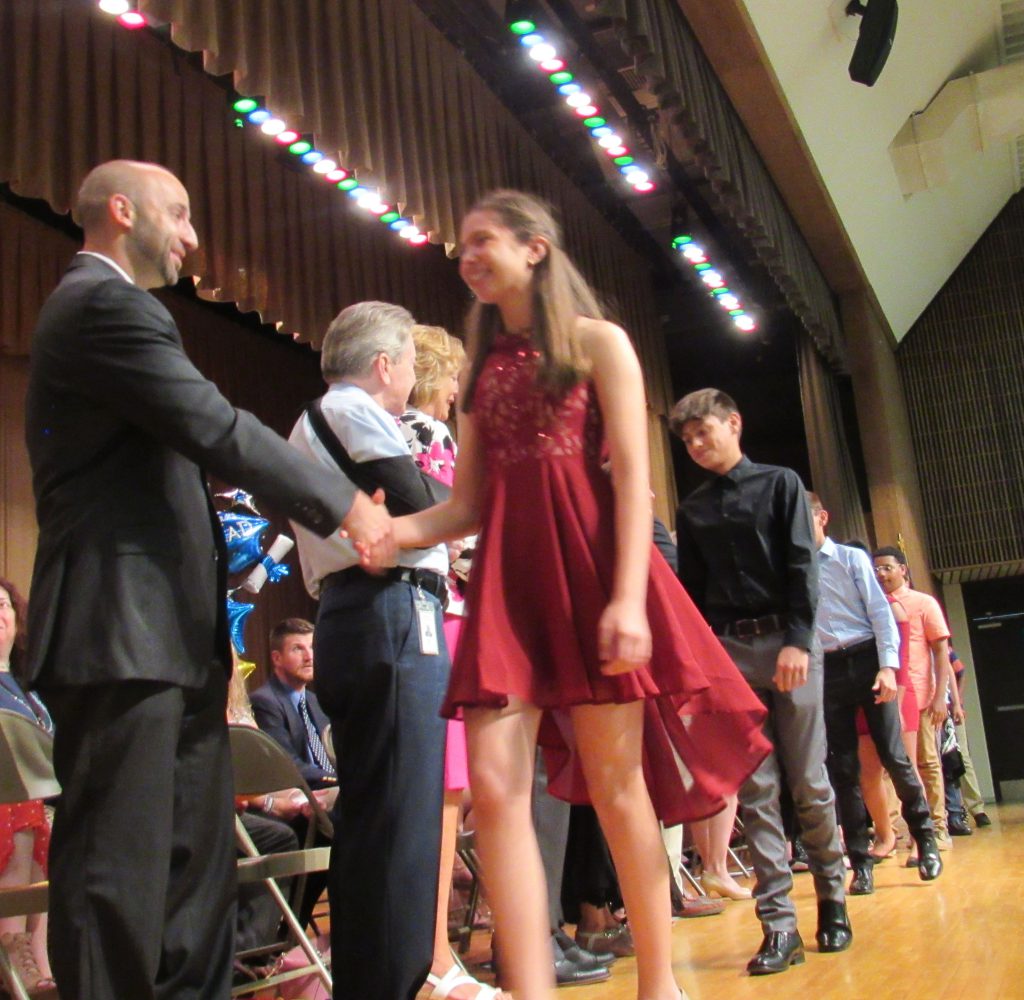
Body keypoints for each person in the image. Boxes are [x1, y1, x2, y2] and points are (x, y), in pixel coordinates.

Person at [365, 190, 771, 1000]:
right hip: (507, 594)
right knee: (495, 790)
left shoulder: (599, 343)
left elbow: (634, 484)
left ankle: (660, 983)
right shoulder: (484, 375)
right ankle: (530, 989)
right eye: (462, 247)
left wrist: (626, 599)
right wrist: (394, 536)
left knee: (620, 793)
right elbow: (467, 506)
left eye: (483, 241)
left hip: (588, 579)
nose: (467, 256)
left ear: (536, 248)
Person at [21, 159, 395, 1000]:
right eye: (180, 214)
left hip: (168, 635)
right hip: (116, 631)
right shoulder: (102, 303)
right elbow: (215, 425)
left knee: (194, 865)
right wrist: (347, 507)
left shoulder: (123, 310)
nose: (193, 236)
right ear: (122, 211)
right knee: (119, 867)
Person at [287, 301, 452, 1000]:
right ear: (385, 365)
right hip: (388, 612)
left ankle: (373, 984)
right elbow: (424, 500)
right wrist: (436, 497)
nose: (415, 381)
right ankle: (395, 985)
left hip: (360, 614)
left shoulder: (324, 420)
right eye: (412, 366)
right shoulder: (354, 411)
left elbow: (417, 502)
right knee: (402, 819)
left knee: (380, 816)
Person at [672, 388, 849, 976]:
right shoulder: (692, 508)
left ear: (734, 423)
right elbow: (693, 598)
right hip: (729, 655)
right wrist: (701, 668)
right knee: (757, 791)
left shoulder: (782, 483)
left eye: (704, 432)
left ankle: (832, 898)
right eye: (688, 438)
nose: (697, 445)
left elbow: (803, 565)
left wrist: (799, 640)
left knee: (809, 781)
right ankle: (778, 926)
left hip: (788, 643)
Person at [399, 324, 511, 999]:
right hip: (445, 617)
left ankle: (443, 948)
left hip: (431, 616)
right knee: (447, 794)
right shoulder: (428, 435)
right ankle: (435, 955)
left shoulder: (393, 430)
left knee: (448, 792)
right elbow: (458, 534)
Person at [807, 494, 940, 895]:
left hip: (866, 659)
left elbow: (881, 615)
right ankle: (861, 864)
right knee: (843, 770)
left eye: (802, 517)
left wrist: (887, 667)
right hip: (828, 669)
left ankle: (926, 840)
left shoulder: (851, 559)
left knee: (895, 757)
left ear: (822, 518)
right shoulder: (793, 569)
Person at [872, 547, 954, 849]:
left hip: (919, 695)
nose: (881, 574)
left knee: (927, 763)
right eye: (876, 569)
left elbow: (940, 651)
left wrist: (939, 696)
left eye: (887, 568)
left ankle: (937, 827)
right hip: (888, 696)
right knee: (885, 767)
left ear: (903, 569)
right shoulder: (875, 605)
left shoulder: (923, 603)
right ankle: (896, 832)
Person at [0, 579, 54, 996]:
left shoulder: (30, 689)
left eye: (3, 605)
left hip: (41, 798)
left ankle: (43, 954)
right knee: (23, 812)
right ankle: (13, 943)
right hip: (7, 803)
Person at [250, 618, 337, 791]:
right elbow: (288, 766)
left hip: (330, 787)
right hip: (298, 794)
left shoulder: (315, 700)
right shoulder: (265, 701)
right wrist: (340, 780)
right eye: (298, 649)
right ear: (277, 658)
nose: (309, 657)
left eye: (312, 647)